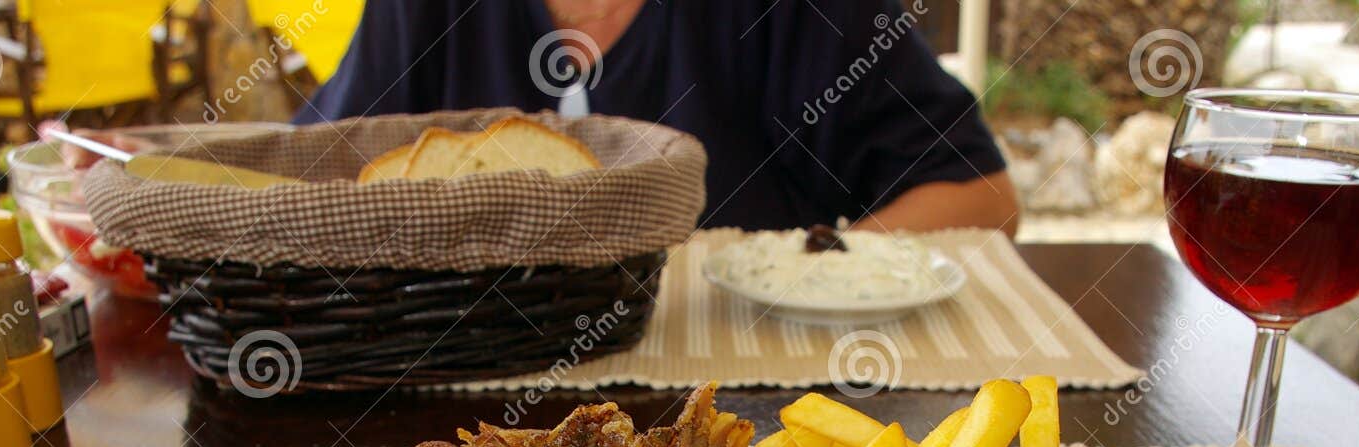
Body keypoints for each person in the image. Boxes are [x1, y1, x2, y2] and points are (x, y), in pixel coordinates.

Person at [299, 0, 1019, 235]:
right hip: (454, 418)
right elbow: (304, 190)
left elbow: (983, 195)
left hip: (747, 421)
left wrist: (820, 275)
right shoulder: (419, 10)